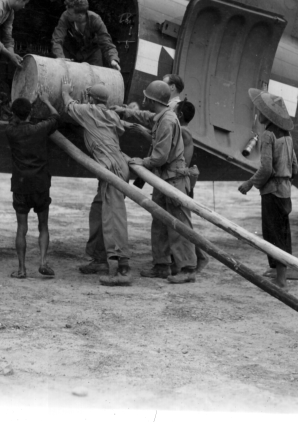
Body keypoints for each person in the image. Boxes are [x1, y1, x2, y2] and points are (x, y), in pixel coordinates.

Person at [115, 80, 196, 283]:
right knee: (159, 221)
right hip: (163, 178)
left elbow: (160, 157)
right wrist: (124, 111)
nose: (144, 101)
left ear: (152, 100)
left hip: (173, 179)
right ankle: (161, 265)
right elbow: (147, 116)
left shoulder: (167, 121)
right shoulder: (163, 116)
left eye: (146, 98)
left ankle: (187, 269)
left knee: (179, 225)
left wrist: (141, 161)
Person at [62, 80, 133, 285]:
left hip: (111, 170)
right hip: (115, 167)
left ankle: (123, 268)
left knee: (114, 218)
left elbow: (69, 105)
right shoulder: (111, 114)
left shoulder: (88, 111)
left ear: (91, 98)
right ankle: (100, 258)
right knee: (98, 211)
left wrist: (66, 91)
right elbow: (119, 128)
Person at [238, 89, 297, 288]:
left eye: (260, 112)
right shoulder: (288, 137)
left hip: (272, 191)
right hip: (286, 191)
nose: (258, 115)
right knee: (283, 231)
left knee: (272, 233)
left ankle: (280, 279)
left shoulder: (267, 136)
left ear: (267, 115)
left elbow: (266, 168)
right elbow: (295, 166)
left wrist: (249, 183)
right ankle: (280, 273)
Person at [5, 95, 60, 279]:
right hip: (40, 184)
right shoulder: (40, 129)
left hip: (20, 186)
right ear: (31, 113)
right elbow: (55, 117)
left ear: (14, 114)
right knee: (43, 225)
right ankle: (43, 262)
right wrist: (46, 101)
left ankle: (21, 269)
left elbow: (12, 120)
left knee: (22, 227)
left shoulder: (10, 131)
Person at [175, 100, 209, 274]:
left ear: (179, 115)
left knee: (183, 223)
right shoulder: (183, 130)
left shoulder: (181, 131)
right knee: (182, 222)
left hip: (183, 181)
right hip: (185, 180)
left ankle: (200, 257)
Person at [51, 0, 121, 70]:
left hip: (92, 54)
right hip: (72, 52)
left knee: (96, 77)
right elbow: (57, 39)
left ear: (80, 16)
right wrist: (60, 57)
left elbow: (107, 43)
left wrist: (113, 59)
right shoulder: (65, 16)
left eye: (70, 13)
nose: (66, 13)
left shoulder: (96, 20)